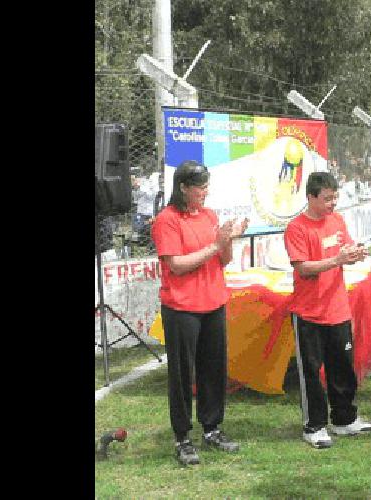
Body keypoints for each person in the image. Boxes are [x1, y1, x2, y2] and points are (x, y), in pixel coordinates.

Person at [151, 160, 248, 465]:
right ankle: (182, 437)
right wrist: (215, 245)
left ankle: (212, 427)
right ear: (183, 188)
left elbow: (223, 260)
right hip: (182, 307)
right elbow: (176, 265)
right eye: (200, 187)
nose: (206, 192)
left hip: (213, 301)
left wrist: (229, 239)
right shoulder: (167, 220)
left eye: (207, 186)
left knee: (213, 369)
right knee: (182, 375)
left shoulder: (209, 216)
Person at [284, 172, 371, 449]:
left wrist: (355, 253)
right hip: (309, 313)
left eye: (335, 197)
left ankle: (345, 419)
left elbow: (344, 250)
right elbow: (302, 268)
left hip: (338, 309)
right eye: (326, 198)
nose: (332, 203)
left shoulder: (337, 221)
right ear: (310, 197)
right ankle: (314, 425)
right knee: (312, 372)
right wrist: (336, 259)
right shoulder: (297, 228)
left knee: (343, 368)